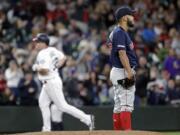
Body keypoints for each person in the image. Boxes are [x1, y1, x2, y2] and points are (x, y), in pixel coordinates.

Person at [32, 33, 94, 131]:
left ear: (43, 43)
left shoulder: (42, 53)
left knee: (62, 106)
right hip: (51, 81)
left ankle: (87, 118)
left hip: (50, 82)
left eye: (38, 42)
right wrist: (57, 66)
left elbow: (45, 71)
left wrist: (35, 67)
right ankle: (47, 129)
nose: (36, 44)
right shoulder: (52, 50)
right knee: (43, 103)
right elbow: (63, 58)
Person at [108, 6, 138, 130]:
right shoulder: (119, 32)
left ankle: (118, 132)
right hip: (123, 71)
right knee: (126, 104)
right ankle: (127, 132)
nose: (133, 17)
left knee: (119, 105)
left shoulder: (116, 32)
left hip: (118, 71)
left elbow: (109, 45)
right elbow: (122, 53)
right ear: (125, 18)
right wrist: (129, 72)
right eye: (131, 15)